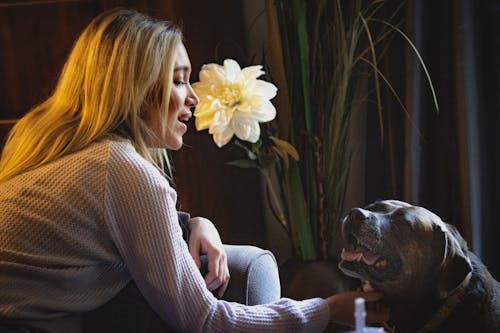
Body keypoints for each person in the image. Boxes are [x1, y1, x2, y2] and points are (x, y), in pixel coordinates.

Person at [0, 8, 389, 333]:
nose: (193, 97)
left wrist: (193, 223)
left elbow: (104, 229)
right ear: (134, 88)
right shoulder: (119, 169)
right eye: (178, 80)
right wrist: (330, 309)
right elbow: (205, 320)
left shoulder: (44, 145)